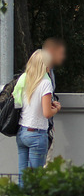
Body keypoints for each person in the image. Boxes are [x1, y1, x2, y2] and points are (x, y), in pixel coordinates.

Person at [14, 50, 60, 185]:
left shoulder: (23, 79)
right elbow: (46, 113)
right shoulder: (45, 83)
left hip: (22, 132)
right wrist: (56, 108)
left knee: (23, 176)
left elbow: (20, 104)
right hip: (37, 134)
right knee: (36, 179)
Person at [41, 37, 65, 157]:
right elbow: (45, 110)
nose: (62, 57)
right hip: (40, 129)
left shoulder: (50, 71)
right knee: (43, 165)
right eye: (60, 53)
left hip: (39, 127)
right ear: (51, 51)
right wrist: (55, 109)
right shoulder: (44, 76)